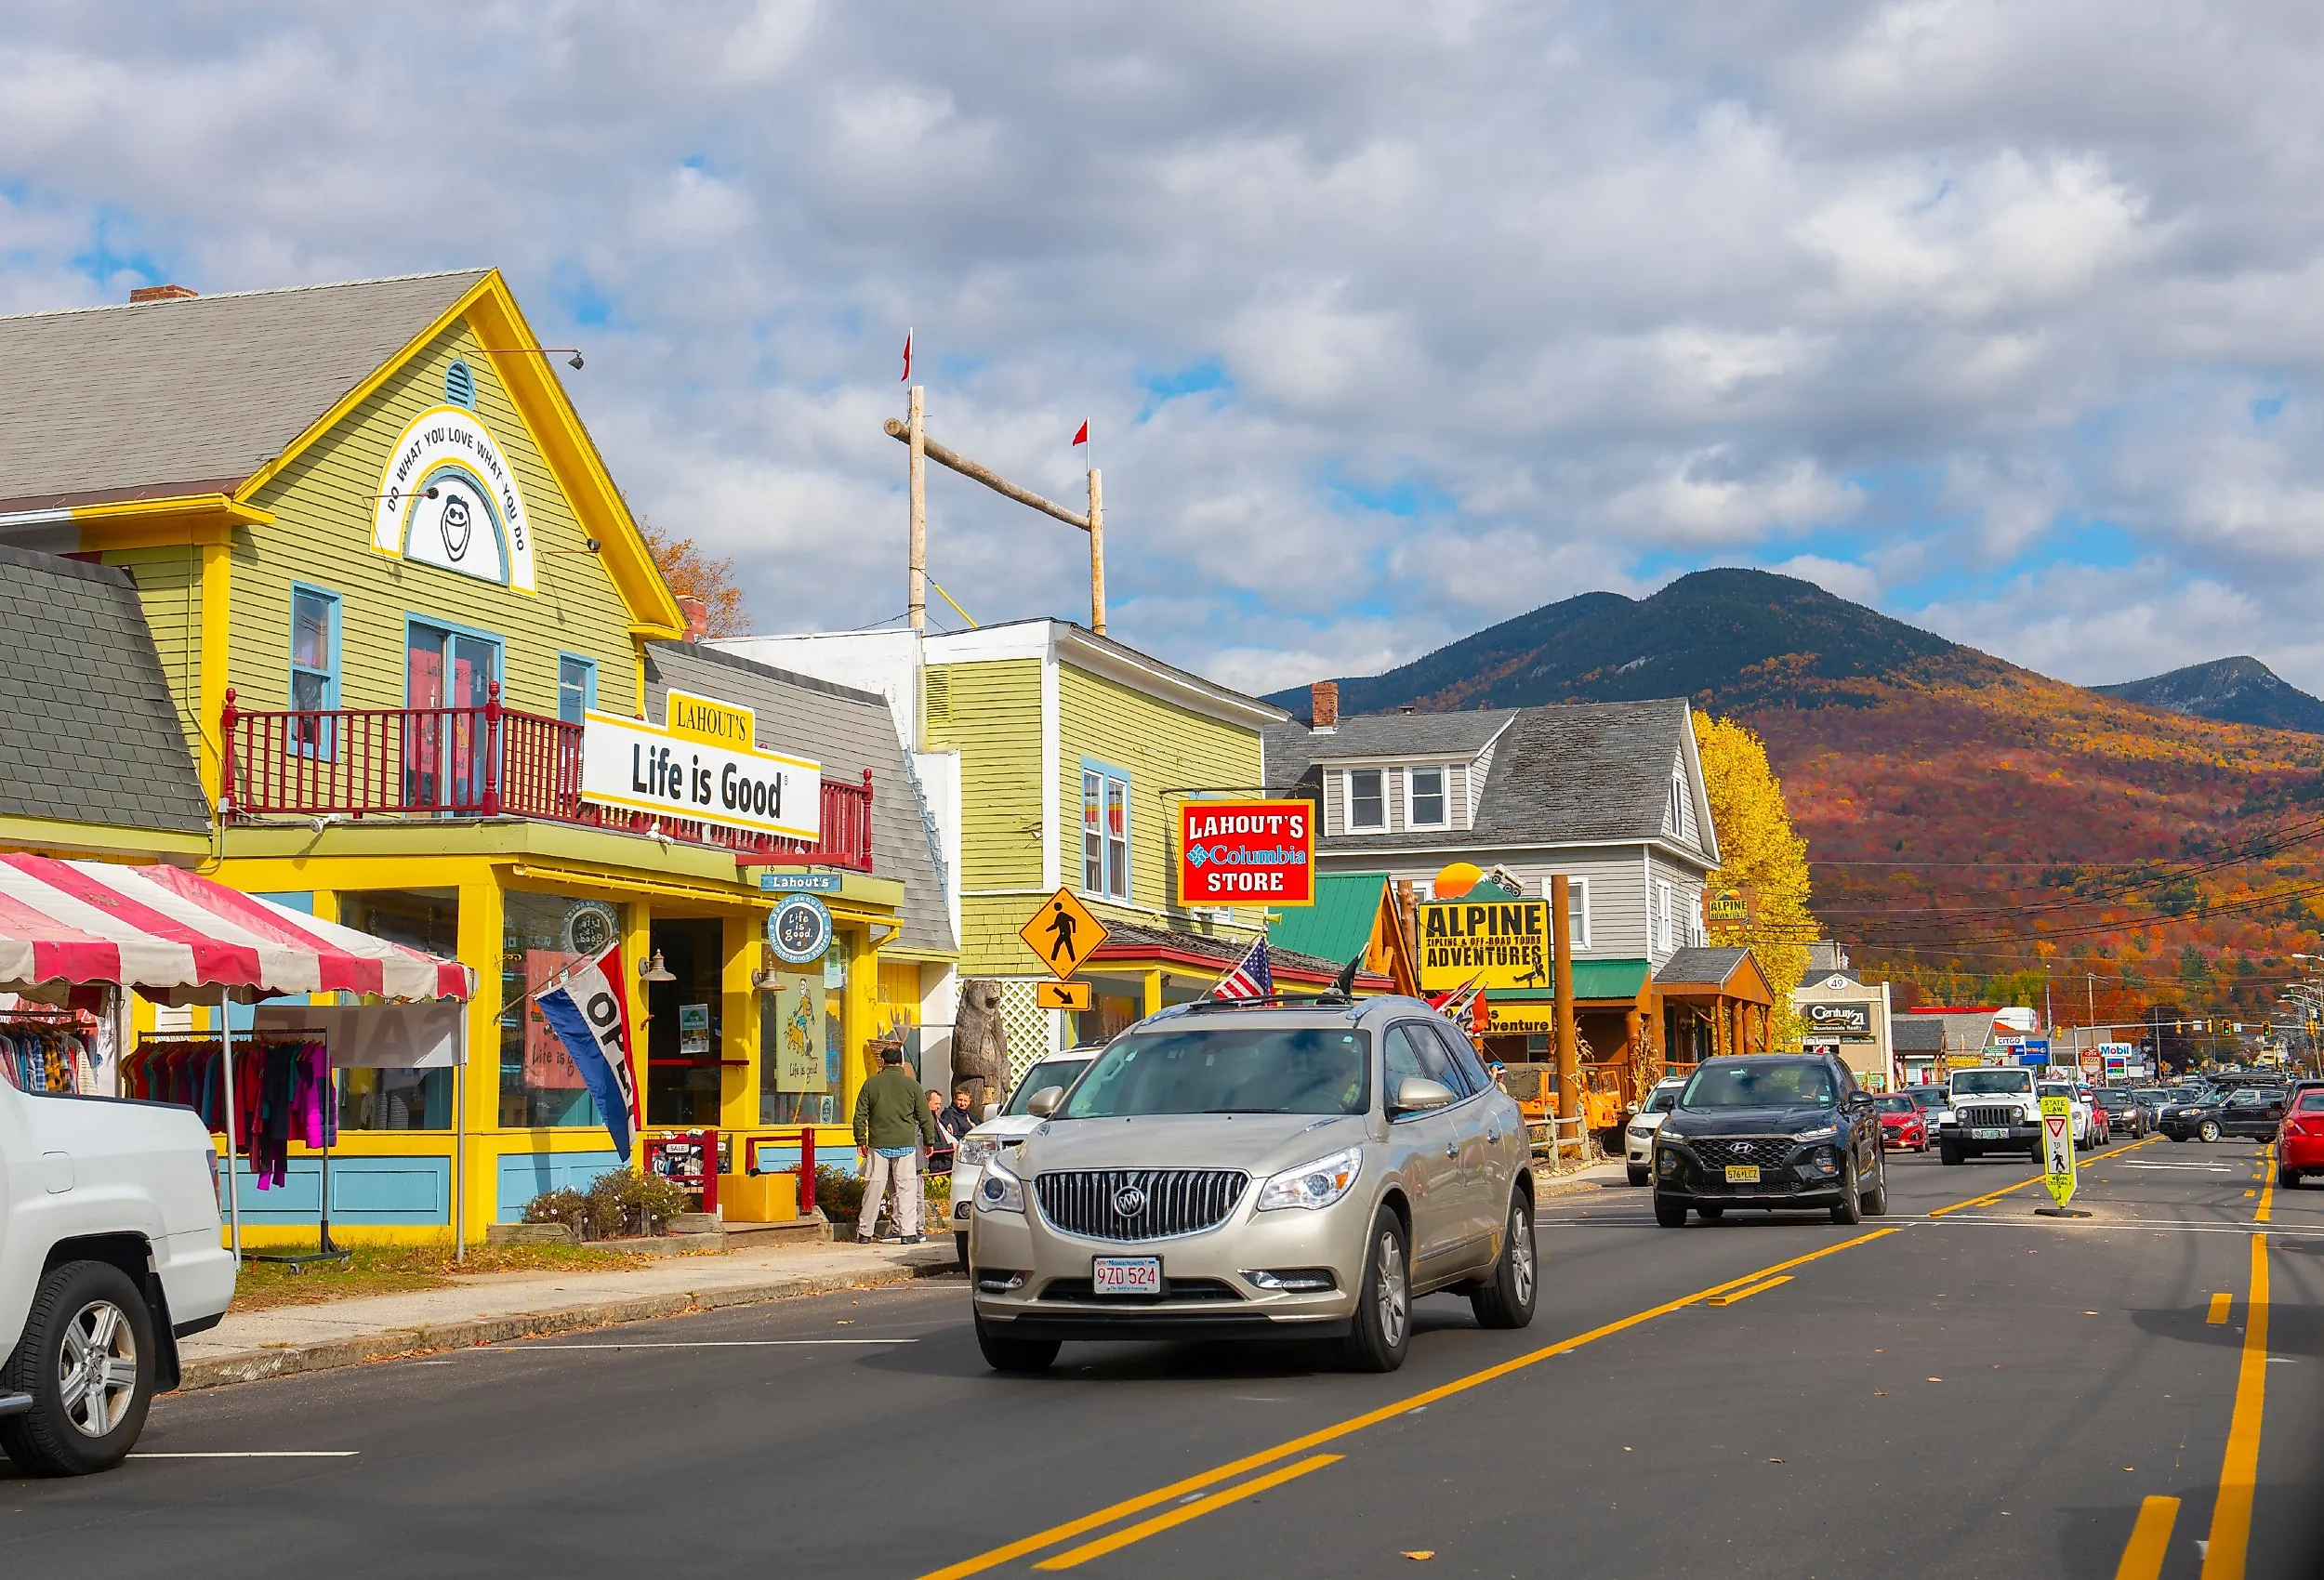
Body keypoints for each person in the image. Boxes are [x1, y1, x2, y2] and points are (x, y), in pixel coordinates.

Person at [853, 1043, 939, 1244]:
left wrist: (860, 1139)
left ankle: (865, 1232)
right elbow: (925, 1117)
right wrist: (929, 1141)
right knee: (907, 1189)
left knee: (874, 1187)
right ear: (901, 1062)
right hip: (905, 1144)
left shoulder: (870, 1084)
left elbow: (860, 1115)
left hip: (878, 1143)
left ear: (882, 1062)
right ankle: (908, 1233)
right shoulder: (913, 1086)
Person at [924, 1088, 957, 1176]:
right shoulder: (925, 1121)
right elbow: (927, 1144)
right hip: (937, 1166)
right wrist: (950, 1146)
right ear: (927, 1103)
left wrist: (946, 1123)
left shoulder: (934, 1118)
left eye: (939, 1104)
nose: (938, 1107)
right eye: (936, 1104)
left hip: (945, 1162)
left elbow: (938, 1120)